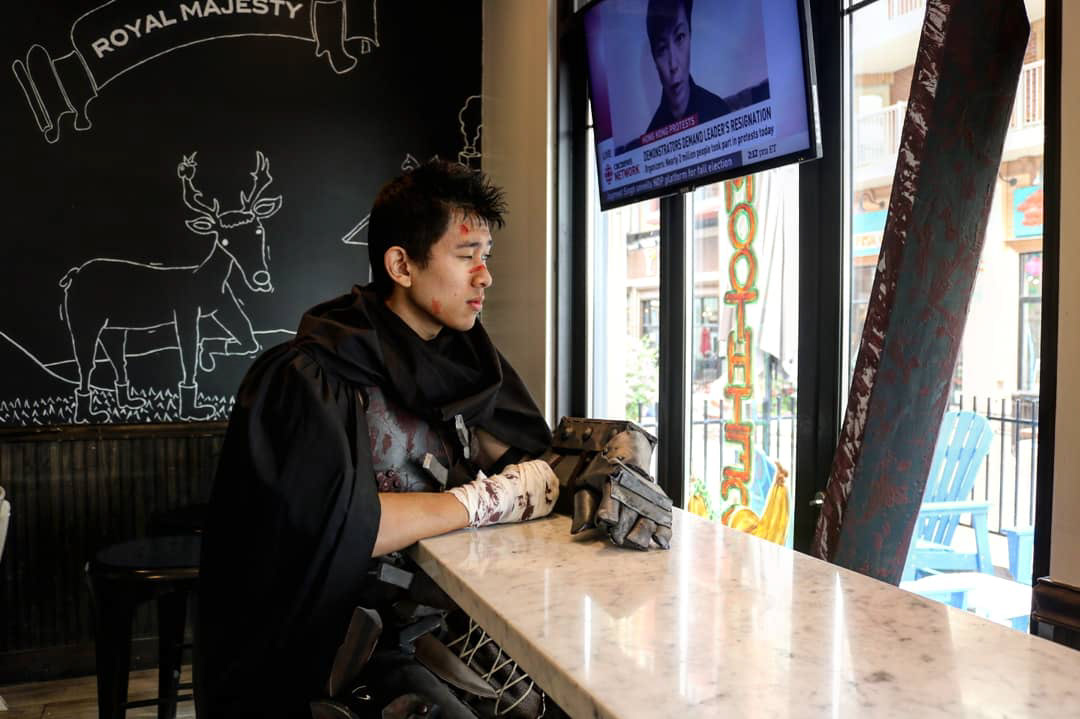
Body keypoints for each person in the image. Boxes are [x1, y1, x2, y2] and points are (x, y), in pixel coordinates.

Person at [195, 160, 560, 718]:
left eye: (486, 255)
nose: (484, 276)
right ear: (401, 265)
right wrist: (483, 500)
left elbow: (524, 453)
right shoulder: (309, 376)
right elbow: (340, 523)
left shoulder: (465, 363)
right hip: (329, 647)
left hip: (436, 617)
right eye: (466, 256)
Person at [644, 0, 731, 134]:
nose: (673, 65)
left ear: (690, 35)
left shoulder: (718, 111)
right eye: (662, 49)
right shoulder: (651, 136)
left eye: (679, 38)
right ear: (654, 59)